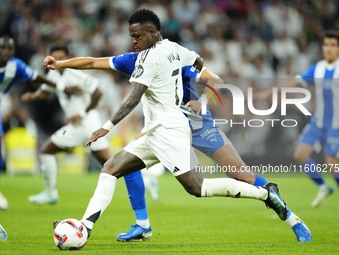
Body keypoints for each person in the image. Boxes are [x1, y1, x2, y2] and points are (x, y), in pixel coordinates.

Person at [45, 9, 291, 244]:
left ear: (152, 32)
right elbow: (94, 62)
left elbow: (134, 97)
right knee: (111, 168)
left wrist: (106, 127)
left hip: (174, 128)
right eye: (131, 36)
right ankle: (86, 227)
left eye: (137, 36)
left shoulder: (151, 59)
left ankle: (265, 193)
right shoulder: (171, 49)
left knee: (198, 187)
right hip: (157, 129)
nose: (133, 41)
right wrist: (62, 64)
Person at [255, 30, 339, 208]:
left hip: (336, 123)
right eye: (326, 45)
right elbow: (294, 82)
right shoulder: (317, 68)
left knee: (331, 161)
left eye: (333, 45)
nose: (329, 49)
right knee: (300, 154)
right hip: (318, 122)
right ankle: (324, 186)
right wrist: (270, 92)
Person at [21, 45, 111, 205]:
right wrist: (33, 96)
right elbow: (45, 91)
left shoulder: (75, 73)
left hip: (89, 123)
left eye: (62, 57)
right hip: (75, 127)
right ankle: (50, 193)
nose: (59, 61)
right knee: (46, 151)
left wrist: (82, 113)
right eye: (56, 58)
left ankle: (145, 183)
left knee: (110, 165)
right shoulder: (54, 74)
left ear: (69, 57)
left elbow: (98, 92)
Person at [0, 36, 78, 210]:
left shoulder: (16, 65)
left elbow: (38, 78)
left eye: (9, 49)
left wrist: (61, 88)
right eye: (2, 48)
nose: (6, 52)